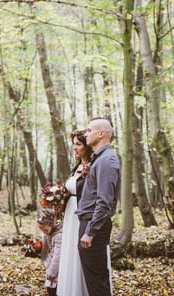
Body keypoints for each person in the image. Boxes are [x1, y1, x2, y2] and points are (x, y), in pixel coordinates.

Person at [76, 118, 120, 296]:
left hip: (94, 226)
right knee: (93, 280)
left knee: (97, 282)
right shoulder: (98, 159)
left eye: (89, 130)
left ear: (101, 133)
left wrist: (91, 231)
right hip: (88, 222)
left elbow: (105, 201)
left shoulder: (106, 160)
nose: (85, 134)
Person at [57, 129, 92, 296]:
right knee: (70, 251)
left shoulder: (93, 166)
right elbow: (70, 191)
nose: (75, 148)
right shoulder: (76, 166)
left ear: (87, 146)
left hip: (82, 215)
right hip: (70, 214)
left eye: (78, 144)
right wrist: (59, 201)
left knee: (81, 254)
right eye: (74, 145)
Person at [37, 209, 63, 296]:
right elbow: (45, 247)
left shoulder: (59, 235)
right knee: (50, 287)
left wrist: (51, 273)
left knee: (55, 288)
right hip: (51, 264)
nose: (44, 232)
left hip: (58, 268)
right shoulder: (48, 233)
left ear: (51, 224)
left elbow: (57, 257)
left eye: (45, 230)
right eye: (42, 230)